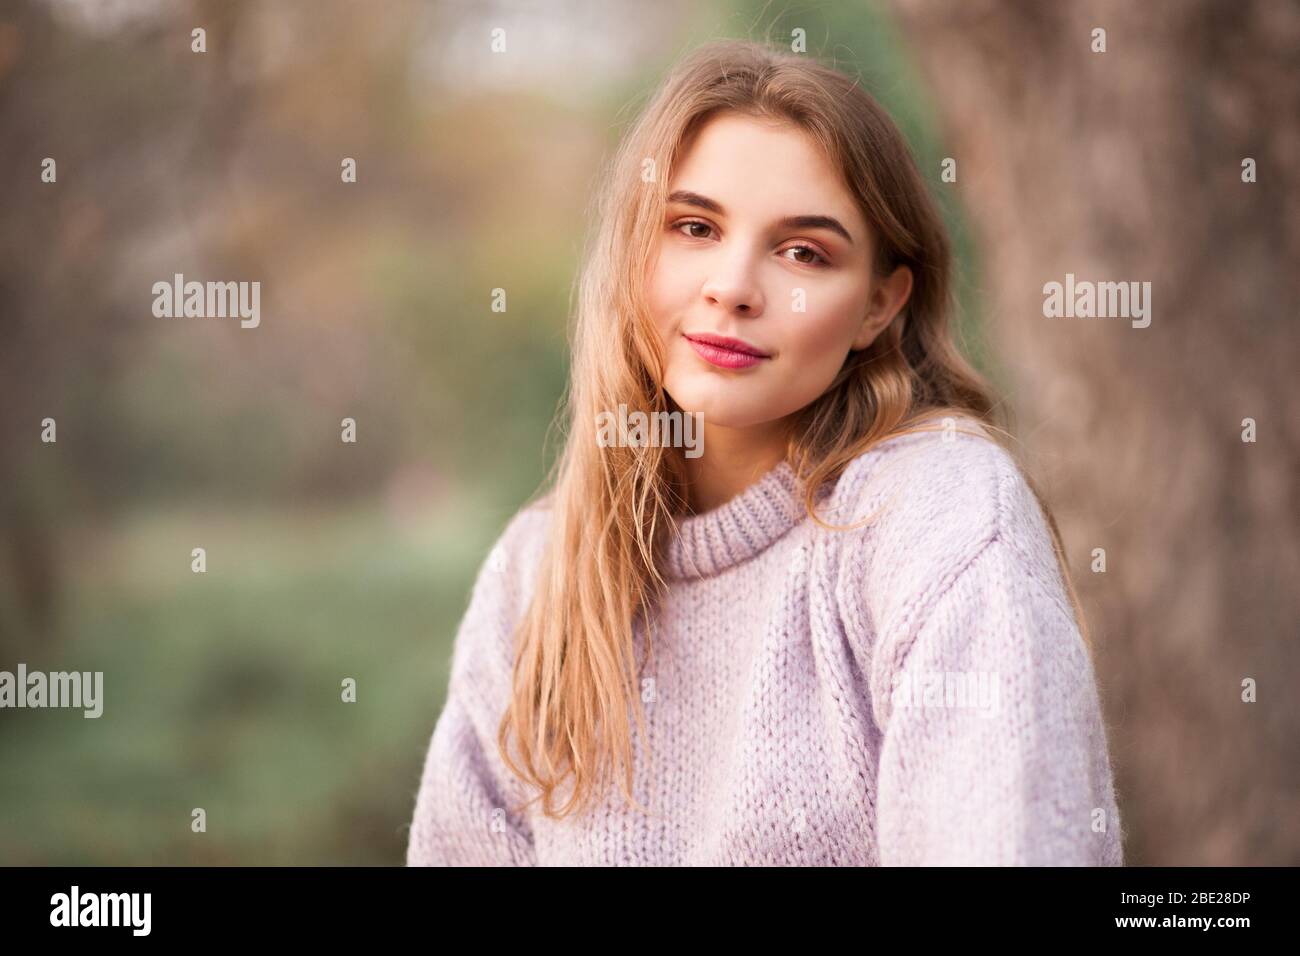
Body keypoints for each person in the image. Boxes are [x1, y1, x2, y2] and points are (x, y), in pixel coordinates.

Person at [406, 38, 1124, 866]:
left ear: (880, 307)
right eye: (694, 227)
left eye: (803, 252)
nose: (734, 286)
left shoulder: (939, 511)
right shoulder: (535, 571)